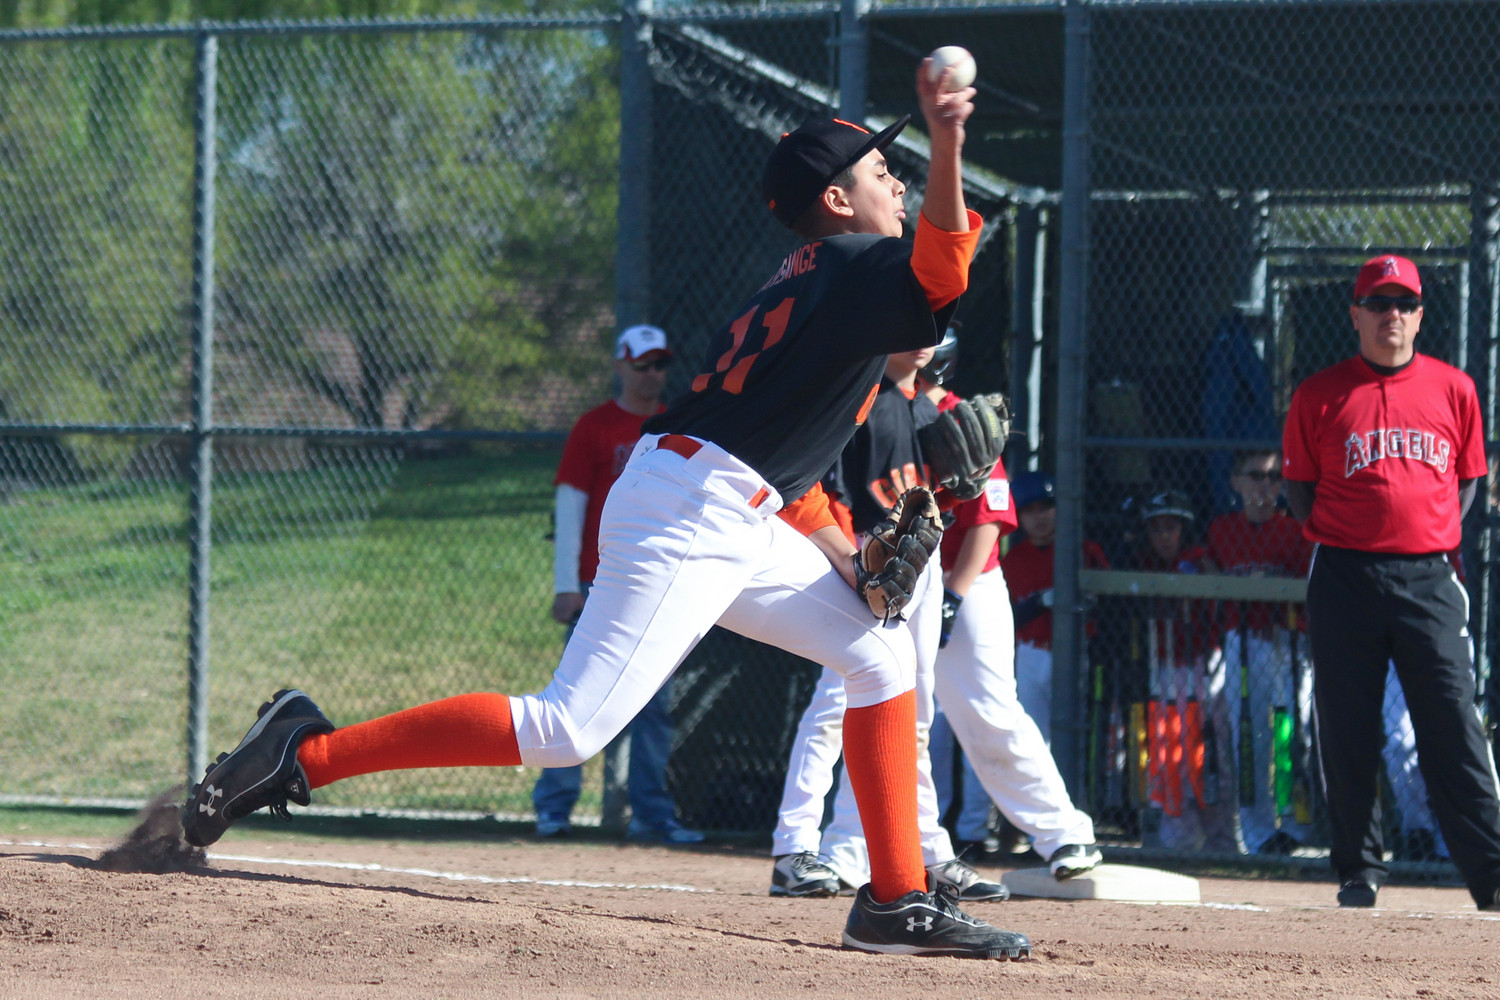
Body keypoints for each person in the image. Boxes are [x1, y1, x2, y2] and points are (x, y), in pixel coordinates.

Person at [182, 61, 1032, 959]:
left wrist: (848, 561)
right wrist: (948, 139)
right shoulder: (858, 267)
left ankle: (895, 899)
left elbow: (797, 475)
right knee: (566, 728)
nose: (897, 186)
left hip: (726, 503)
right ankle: (304, 752)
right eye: (881, 171)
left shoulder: (815, 281)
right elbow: (944, 268)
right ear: (835, 199)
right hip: (696, 509)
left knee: (879, 655)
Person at [1282, 253, 1500, 909]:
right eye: (1378, 303)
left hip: (1429, 576)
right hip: (1345, 574)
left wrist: (1424, 530)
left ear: (1420, 315)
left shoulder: (1455, 389)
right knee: (1347, 725)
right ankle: (1359, 869)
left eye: (1404, 303)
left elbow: (1467, 483)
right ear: (1355, 314)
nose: (1392, 315)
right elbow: (1300, 490)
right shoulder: (1320, 394)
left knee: (1453, 722)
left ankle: (1491, 874)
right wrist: (1357, 531)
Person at [768, 347, 1005, 902]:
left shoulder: (923, 408)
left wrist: (959, 489)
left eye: (934, 330)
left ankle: (930, 853)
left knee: (915, 710)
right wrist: (851, 562)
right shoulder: (857, 395)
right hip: (861, 558)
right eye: (914, 323)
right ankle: (793, 847)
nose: (925, 339)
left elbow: (928, 503)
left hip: (919, 562)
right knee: (834, 704)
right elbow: (825, 487)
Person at [532, 325, 704, 845]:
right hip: (596, 583)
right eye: (642, 364)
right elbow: (571, 507)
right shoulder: (595, 426)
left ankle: (653, 814)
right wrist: (566, 584)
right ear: (620, 365)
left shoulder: (677, 424)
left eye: (660, 364)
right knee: (576, 699)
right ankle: (554, 809)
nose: (652, 374)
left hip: (657, 586)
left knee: (653, 707)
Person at [1203, 449, 1314, 855]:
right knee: (1248, 739)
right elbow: (1209, 571)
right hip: (1241, 641)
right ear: (1236, 482)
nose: (1265, 485)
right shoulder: (1222, 529)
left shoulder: (1295, 530)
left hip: (1286, 642)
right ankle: (1257, 833)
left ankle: (1295, 825)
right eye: (1255, 475)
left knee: (1291, 735)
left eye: (1273, 477)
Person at [1127, 489, 1243, 854]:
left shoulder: (1198, 560)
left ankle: (1222, 839)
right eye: (1156, 529)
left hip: (1204, 666)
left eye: (1172, 527)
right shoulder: (1143, 564)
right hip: (1165, 670)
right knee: (1170, 753)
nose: (1164, 536)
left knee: (1213, 754)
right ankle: (1179, 838)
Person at [999, 472, 1109, 747]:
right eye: (1030, 510)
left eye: (1046, 507)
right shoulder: (1013, 560)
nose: (1039, 517)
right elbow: (1007, 618)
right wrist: (1038, 603)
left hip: (1076, 651)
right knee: (1032, 736)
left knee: (1076, 734)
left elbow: (1107, 606)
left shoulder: (1084, 551)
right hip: (1031, 653)